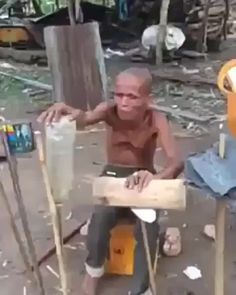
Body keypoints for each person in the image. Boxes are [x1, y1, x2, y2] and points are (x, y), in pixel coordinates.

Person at [38, 67, 183, 295]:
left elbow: (176, 162)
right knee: (101, 218)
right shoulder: (108, 110)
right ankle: (93, 272)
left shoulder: (157, 119)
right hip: (113, 175)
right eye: (119, 94)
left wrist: (154, 178)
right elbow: (85, 118)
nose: (123, 102)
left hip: (142, 178)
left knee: (147, 227)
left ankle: (142, 289)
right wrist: (69, 112)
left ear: (148, 99)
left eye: (132, 97)